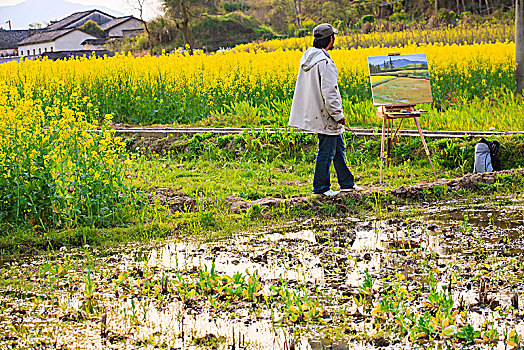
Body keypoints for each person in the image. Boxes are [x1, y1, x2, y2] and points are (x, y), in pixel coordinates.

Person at [289, 23, 363, 197]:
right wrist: (338, 115)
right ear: (330, 39)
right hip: (326, 114)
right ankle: (321, 187)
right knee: (327, 151)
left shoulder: (309, 58)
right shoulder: (326, 63)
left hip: (317, 112)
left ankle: (347, 183)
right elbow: (330, 93)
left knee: (337, 148)